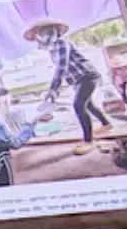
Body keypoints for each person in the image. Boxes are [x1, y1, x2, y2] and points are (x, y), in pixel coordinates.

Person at [30, 18, 113, 152]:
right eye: (41, 33)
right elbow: (64, 72)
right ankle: (106, 124)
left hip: (87, 76)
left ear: (54, 32)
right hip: (78, 80)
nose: (43, 35)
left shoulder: (61, 43)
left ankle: (88, 141)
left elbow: (61, 68)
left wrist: (52, 89)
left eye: (46, 31)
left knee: (78, 105)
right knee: (88, 104)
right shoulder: (52, 51)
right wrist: (55, 92)